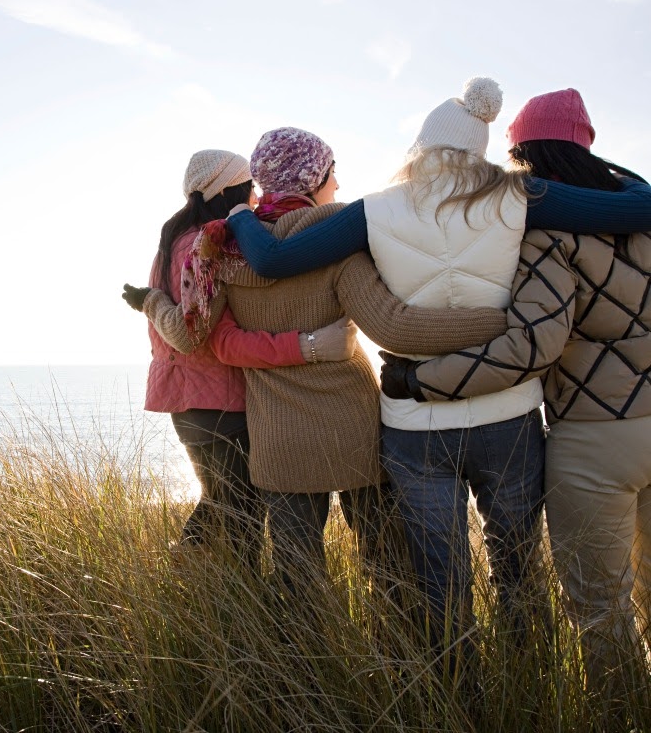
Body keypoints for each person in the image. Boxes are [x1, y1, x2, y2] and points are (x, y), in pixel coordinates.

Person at [221, 77, 640, 690]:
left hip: (415, 423)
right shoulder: (522, 196)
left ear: (419, 147)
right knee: (518, 570)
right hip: (510, 414)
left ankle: (459, 699)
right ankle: (527, 691)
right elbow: (634, 206)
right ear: (480, 148)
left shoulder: (375, 210)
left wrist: (237, 214)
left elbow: (273, 261)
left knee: (439, 579)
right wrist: (607, 167)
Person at [132, 128, 510, 600]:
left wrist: (151, 302)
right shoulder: (336, 243)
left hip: (278, 436)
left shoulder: (224, 250)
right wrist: (499, 321)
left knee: (296, 579)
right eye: (332, 174)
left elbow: (220, 344)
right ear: (313, 179)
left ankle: (304, 671)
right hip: (353, 428)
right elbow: (395, 327)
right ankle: (396, 664)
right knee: (387, 565)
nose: (336, 184)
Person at [380, 88, 650, 707]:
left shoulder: (546, 231)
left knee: (603, 613)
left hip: (596, 441)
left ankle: (623, 718)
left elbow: (532, 344)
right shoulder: (643, 211)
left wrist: (420, 381)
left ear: (524, 157)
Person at [129, 149, 341, 572]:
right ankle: (233, 613)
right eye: (249, 187)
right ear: (228, 191)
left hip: (185, 402)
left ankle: (182, 580)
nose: (256, 196)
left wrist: (149, 301)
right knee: (241, 523)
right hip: (221, 402)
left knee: (217, 505)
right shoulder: (207, 244)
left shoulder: (169, 244)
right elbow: (191, 332)